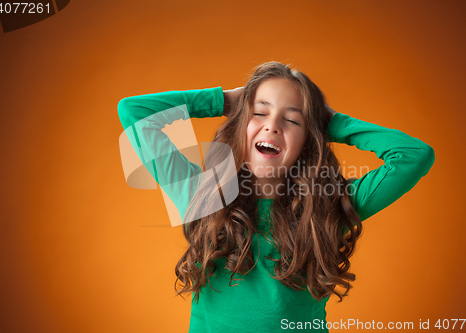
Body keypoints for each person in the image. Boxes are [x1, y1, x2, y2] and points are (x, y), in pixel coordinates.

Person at [117, 61, 435, 333]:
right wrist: (225, 101)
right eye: (259, 113)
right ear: (241, 124)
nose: (272, 125)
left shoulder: (328, 206)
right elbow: (133, 111)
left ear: (309, 141)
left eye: (293, 120)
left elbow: (414, 156)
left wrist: (329, 122)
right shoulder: (203, 195)